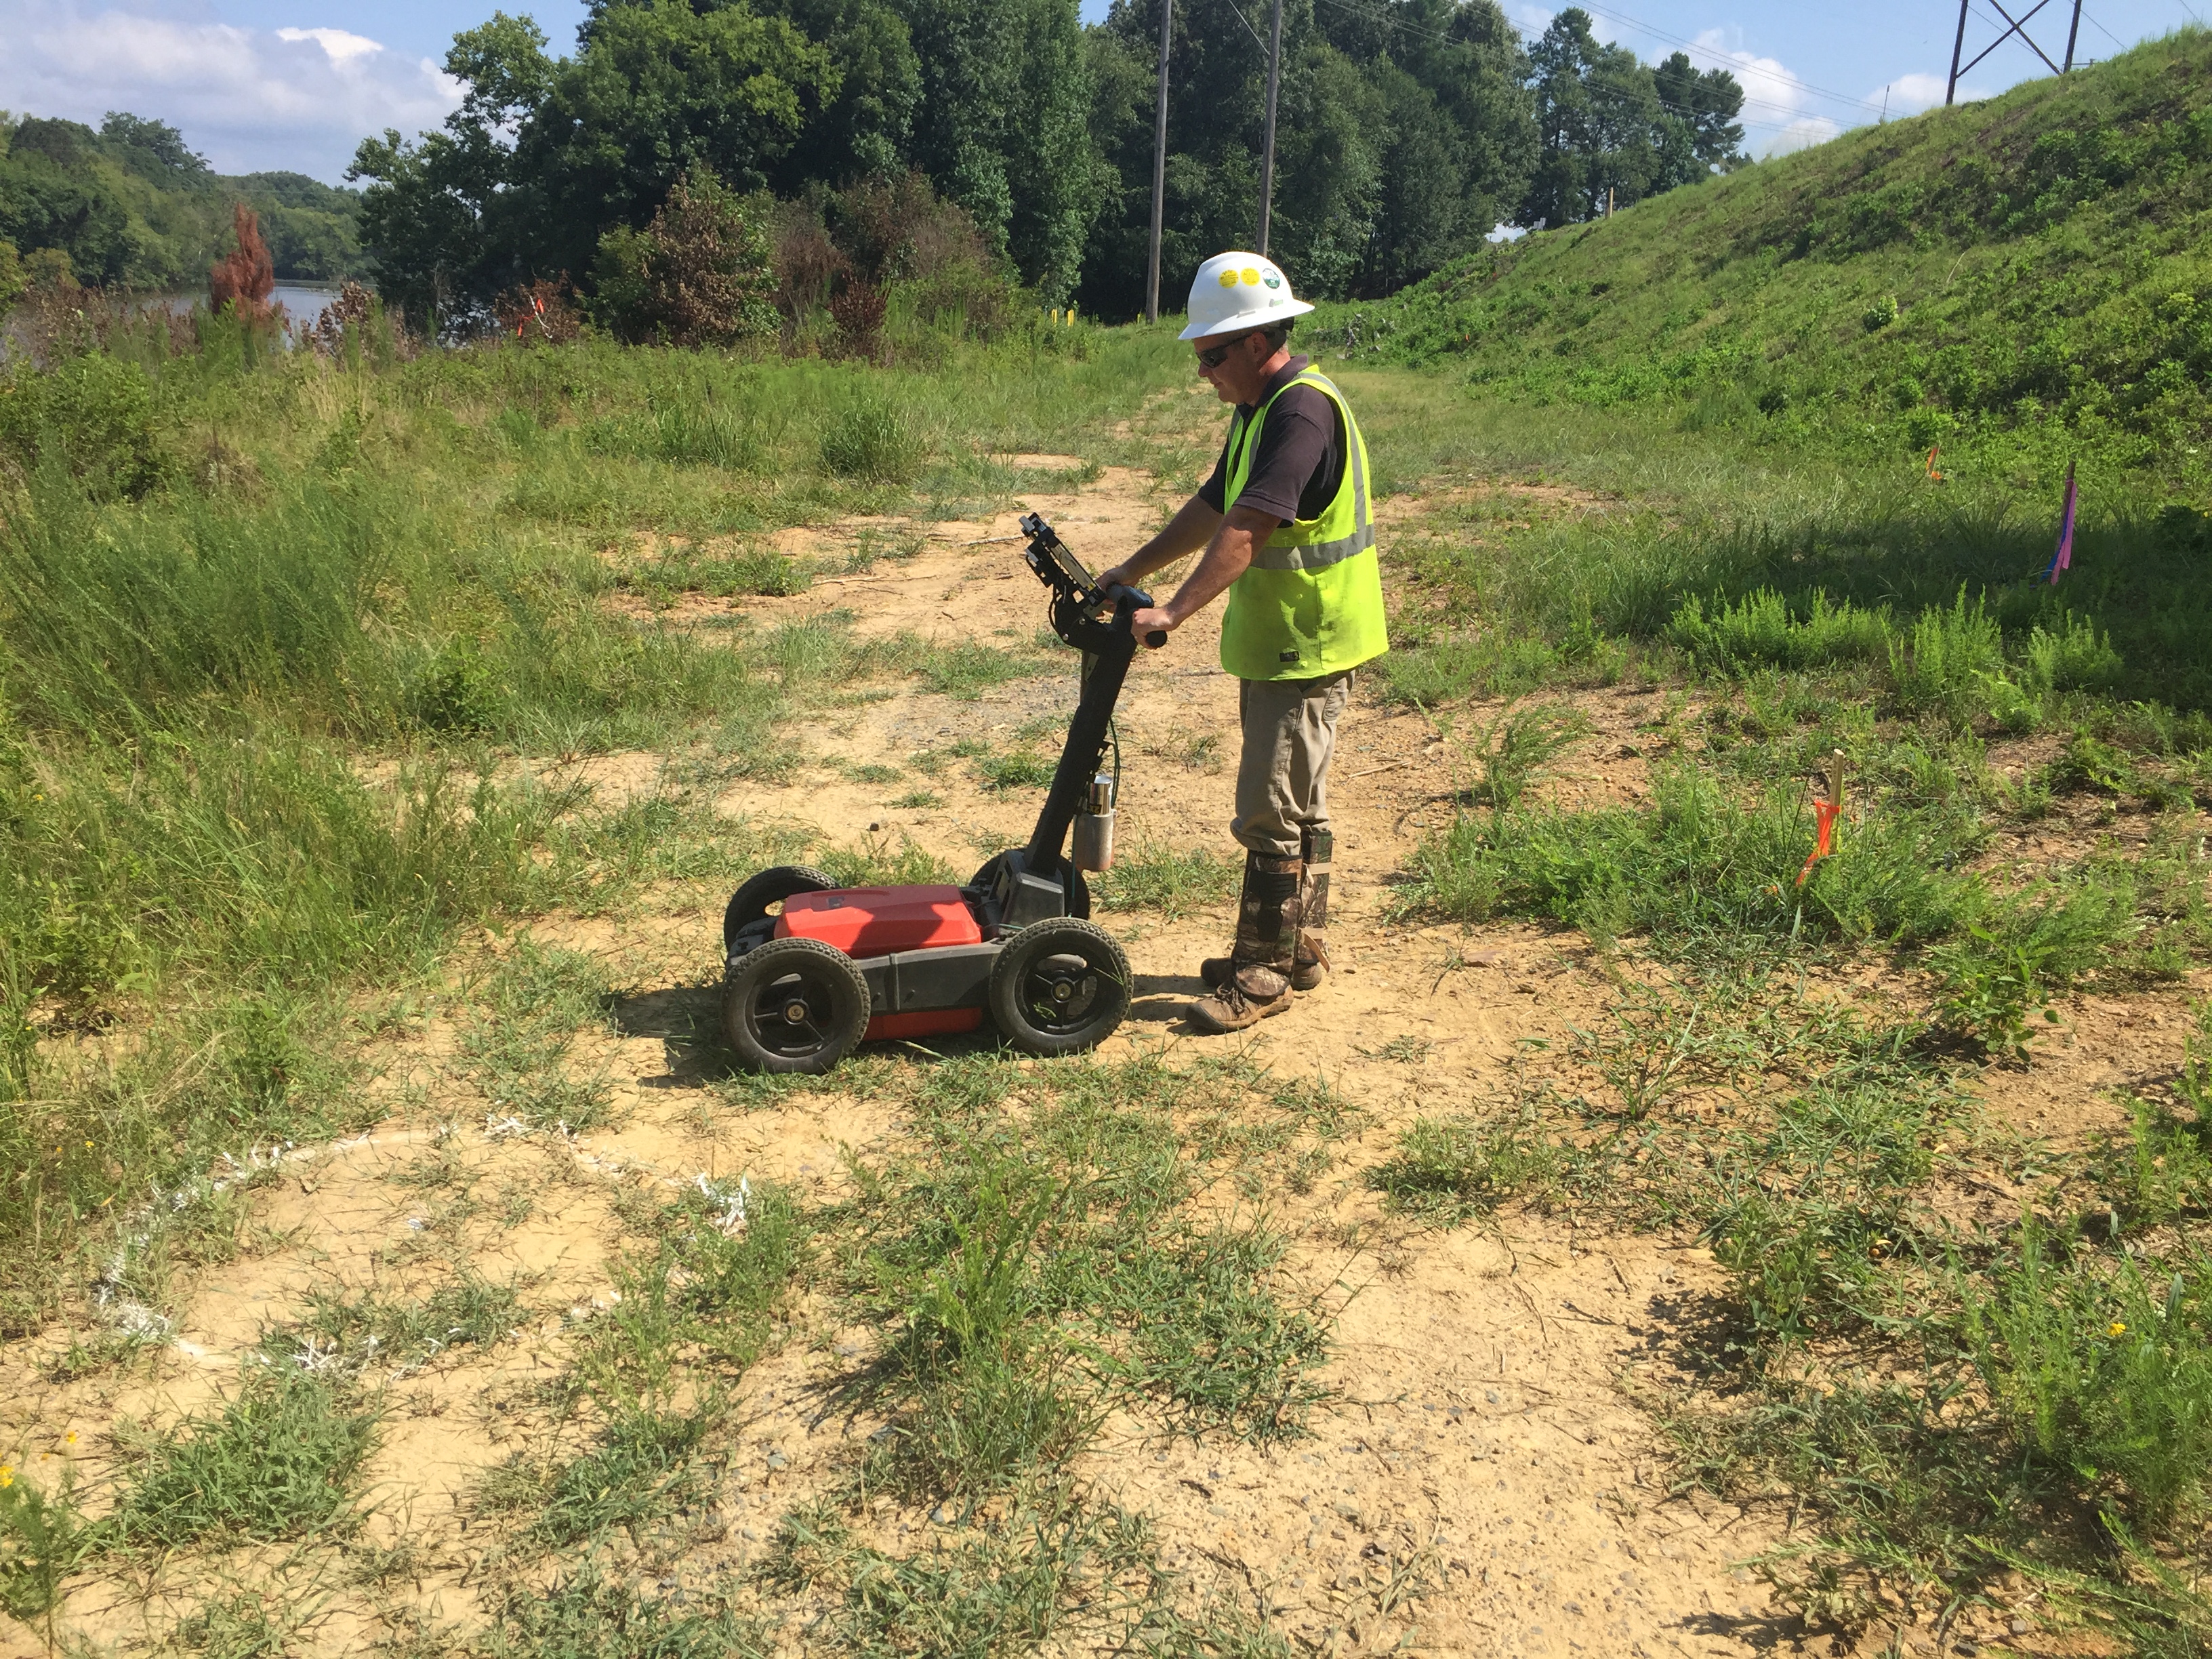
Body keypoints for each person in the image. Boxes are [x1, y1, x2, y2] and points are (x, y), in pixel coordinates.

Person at [1096, 251, 1388, 1034]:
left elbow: (1250, 527)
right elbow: (1216, 504)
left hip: (1309, 640)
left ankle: (1263, 971)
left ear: (1259, 341)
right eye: (1199, 358)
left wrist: (1174, 613)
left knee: (1269, 809)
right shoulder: (1261, 407)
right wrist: (1134, 566)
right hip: (1290, 640)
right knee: (1301, 803)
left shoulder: (1299, 413)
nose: (1204, 372)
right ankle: (1297, 948)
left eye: (1212, 355)